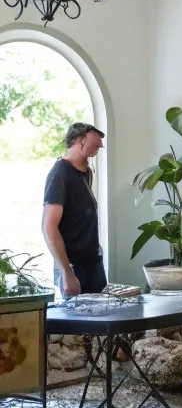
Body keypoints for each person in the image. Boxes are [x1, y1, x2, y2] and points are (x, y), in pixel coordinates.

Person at [42, 122, 107, 297]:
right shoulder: (60, 173)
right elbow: (49, 227)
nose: (101, 145)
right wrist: (67, 273)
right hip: (73, 268)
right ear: (80, 140)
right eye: (96, 141)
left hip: (93, 264)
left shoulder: (87, 172)